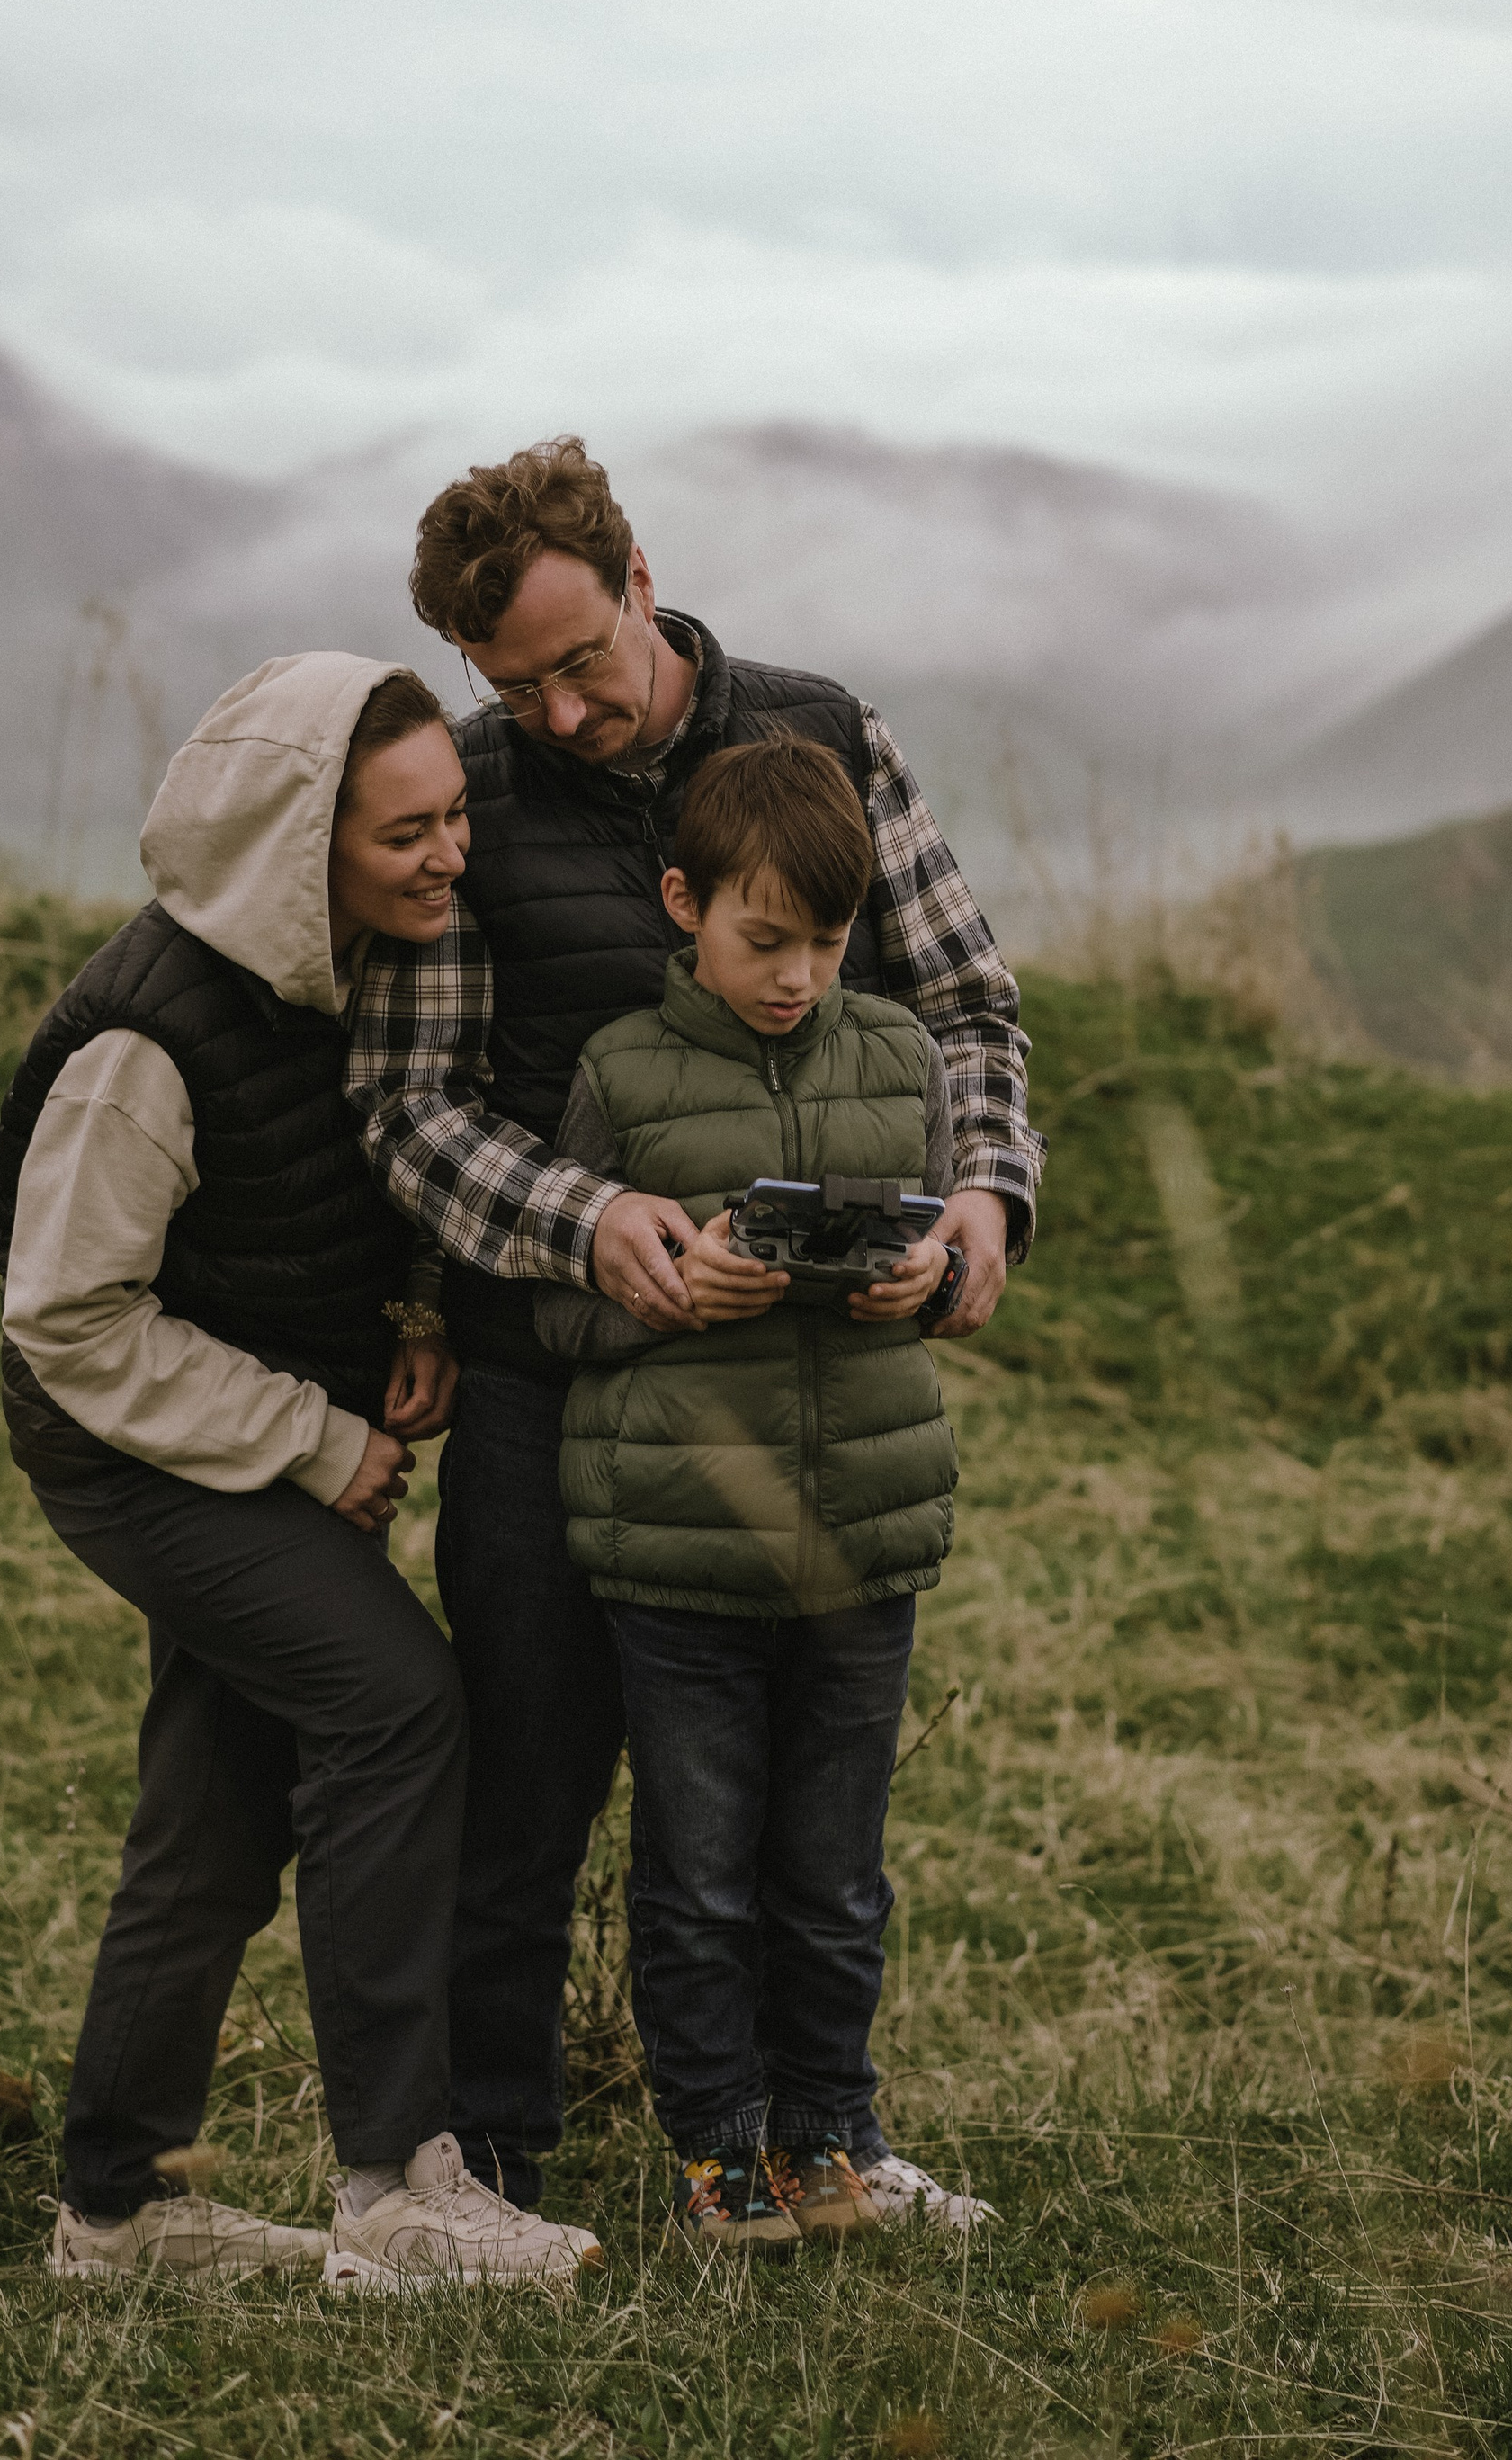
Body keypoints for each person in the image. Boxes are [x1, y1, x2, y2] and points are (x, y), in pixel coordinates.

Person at [347, 437, 1043, 2223]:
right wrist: (594, 1225)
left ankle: (814, 2140)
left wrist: (974, 1203)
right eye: (518, 685)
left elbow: (959, 1000)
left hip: (801, 1384)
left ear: (639, 574)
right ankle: (484, 2164)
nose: (561, 714)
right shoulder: (474, 798)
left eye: (581, 663)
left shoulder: (818, 734)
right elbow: (413, 1109)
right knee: (526, 1782)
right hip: (543, 1377)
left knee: (802, 1817)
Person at [0, 651, 598, 2287]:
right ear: (293, 844)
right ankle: (396, 2189)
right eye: (407, 833)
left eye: (456, 817)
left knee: (214, 1807)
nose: (450, 856)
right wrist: (318, 1437)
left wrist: (406, 1310)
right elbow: (69, 1320)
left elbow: (302, 1212)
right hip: (127, 1445)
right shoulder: (145, 1045)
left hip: (229, 1425)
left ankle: (118, 2208)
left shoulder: (339, 975)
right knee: (395, 1700)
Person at [533, 738, 961, 2255]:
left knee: (837, 1875)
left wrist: (928, 1274)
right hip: (682, 1562)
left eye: (827, 943)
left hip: (862, 1545)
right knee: (702, 1877)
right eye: (762, 938)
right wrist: (664, 1288)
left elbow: (945, 1260)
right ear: (683, 905)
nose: (795, 976)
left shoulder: (904, 1059)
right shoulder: (617, 1074)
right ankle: (719, 2154)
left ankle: (833, 2134)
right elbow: (555, 1314)